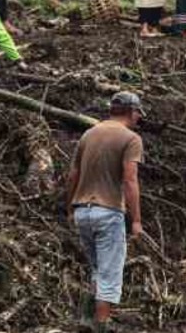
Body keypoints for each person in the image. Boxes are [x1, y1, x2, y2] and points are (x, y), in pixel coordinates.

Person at [66, 92, 145, 332]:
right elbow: (130, 180)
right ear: (131, 112)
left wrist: (70, 206)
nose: (139, 117)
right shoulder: (131, 139)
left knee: (98, 269)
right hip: (108, 211)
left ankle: (86, 321)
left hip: (82, 212)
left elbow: (73, 175)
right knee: (110, 272)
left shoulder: (89, 134)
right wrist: (137, 220)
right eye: (138, 113)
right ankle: (101, 325)